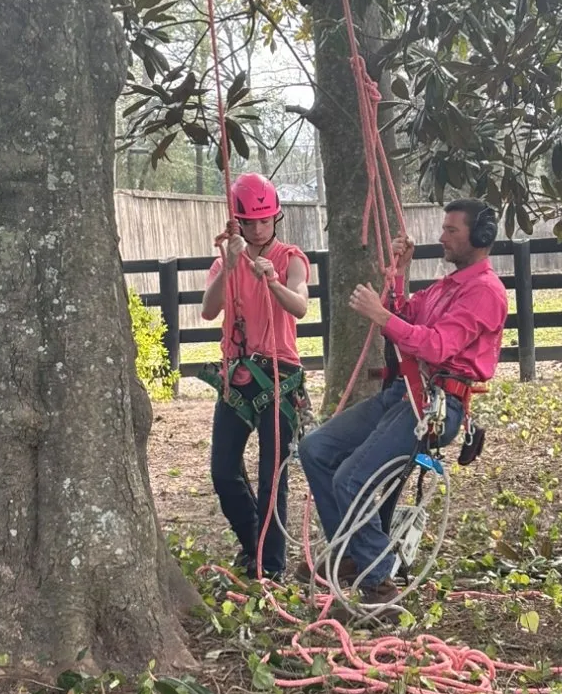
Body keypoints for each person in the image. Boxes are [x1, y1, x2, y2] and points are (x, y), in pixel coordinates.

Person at [297, 198, 508, 606]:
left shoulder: (485, 293)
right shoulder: (448, 287)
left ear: (479, 238)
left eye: (451, 230)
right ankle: (352, 553)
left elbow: (436, 346)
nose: (441, 237)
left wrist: (381, 317)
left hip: (438, 406)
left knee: (349, 479)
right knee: (316, 449)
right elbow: (408, 314)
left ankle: (378, 580)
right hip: (406, 394)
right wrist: (399, 277)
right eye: (443, 228)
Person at [201, 172, 310, 580]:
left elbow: (299, 307)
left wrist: (274, 281)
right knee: (223, 470)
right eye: (251, 222)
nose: (260, 229)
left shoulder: (290, 258)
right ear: (238, 223)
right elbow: (209, 311)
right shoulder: (224, 261)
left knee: (271, 476)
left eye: (266, 221)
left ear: (276, 219)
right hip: (237, 376)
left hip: (279, 376)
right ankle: (253, 546)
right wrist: (230, 268)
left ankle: (272, 565)